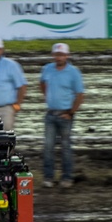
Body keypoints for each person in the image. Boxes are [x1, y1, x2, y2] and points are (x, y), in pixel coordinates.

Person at [40, 43, 85, 188]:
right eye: (56, 54)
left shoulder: (73, 72)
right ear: (53, 55)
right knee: (48, 147)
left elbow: (80, 95)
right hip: (50, 114)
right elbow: (42, 84)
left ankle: (67, 177)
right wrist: (48, 97)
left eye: (62, 54)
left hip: (65, 115)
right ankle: (48, 177)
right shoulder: (47, 69)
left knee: (65, 147)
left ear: (67, 55)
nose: (59, 57)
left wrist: (71, 112)